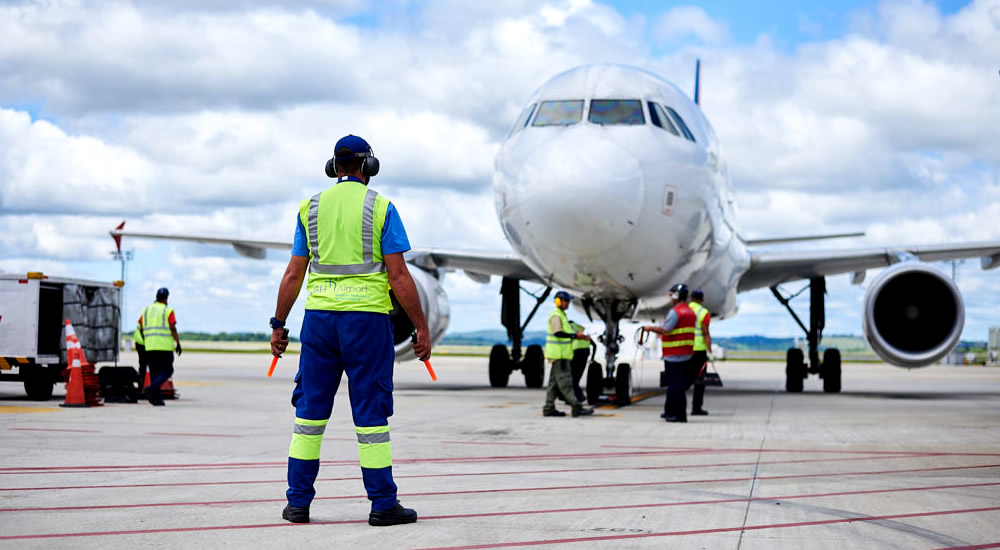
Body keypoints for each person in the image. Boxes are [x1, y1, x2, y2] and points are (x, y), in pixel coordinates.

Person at [270, 134, 430, 527]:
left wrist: (278, 324)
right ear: (367, 167)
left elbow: (294, 272)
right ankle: (382, 504)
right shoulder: (381, 207)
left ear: (334, 167)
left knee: (309, 415)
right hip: (367, 323)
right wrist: (421, 327)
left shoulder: (310, 208)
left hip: (319, 322)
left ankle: (297, 504)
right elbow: (398, 275)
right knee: (371, 415)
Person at [642, 283, 696, 423]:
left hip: (673, 355)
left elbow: (665, 329)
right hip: (686, 354)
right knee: (678, 385)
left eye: (672, 294)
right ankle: (670, 412)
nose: (670, 296)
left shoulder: (675, 312)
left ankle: (679, 415)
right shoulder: (690, 311)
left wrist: (650, 328)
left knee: (675, 387)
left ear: (677, 295)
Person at [542, 291, 594, 418]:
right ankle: (577, 407)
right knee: (566, 383)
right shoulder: (556, 316)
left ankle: (548, 408)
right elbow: (558, 333)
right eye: (566, 301)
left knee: (553, 384)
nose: (568, 303)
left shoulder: (562, 315)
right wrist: (574, 335)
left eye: (568, 301)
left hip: (561, 355)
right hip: (559, 356)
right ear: (558, 301)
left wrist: (579, 337)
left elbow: (566, 335)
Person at [137, 288, 181, 406]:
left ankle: (155, 398)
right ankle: (152, 388)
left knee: (154, 372)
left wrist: (146, 339)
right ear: (166, 298)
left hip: (150, 346)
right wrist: (178, 343)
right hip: (164, 347)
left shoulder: (146, 310)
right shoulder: (168, 310)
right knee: (167, 370)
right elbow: (172, 327)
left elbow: (140, 325)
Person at [687, 289, 712, 416]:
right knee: (699, 380)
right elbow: (706, 333)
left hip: (685, 348)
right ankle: (696, 408)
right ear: (702, 300)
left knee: (682, 380)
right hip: (699, 351)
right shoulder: (703, 312)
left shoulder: (682, 310)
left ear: (690, 298)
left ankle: (673, 405)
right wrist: (710, 352)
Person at [568, 319, 590, 402]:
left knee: (571, 379)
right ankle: (578, 397)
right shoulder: (579, 328)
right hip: (585, 353)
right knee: (575, 378)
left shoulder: (567, 328)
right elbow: (593, 344)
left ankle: (578, 397)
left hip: (575, 353)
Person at [133, 319, 149, 395]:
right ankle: (142, 385)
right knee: (144, 366)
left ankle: (142, 385)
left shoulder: (146, 312)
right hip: (143, 343)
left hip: (141, 342)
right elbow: (142, 328)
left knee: (143, 365)